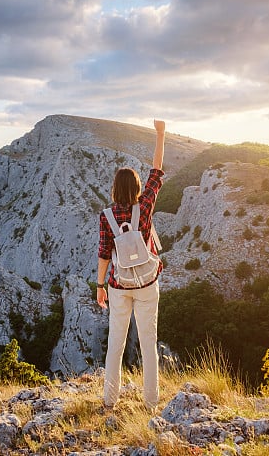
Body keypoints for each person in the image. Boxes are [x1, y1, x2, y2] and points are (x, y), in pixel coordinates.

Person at [96, 119, 165, 410]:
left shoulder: (107, 216)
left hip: (118, 285)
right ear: (137, 186)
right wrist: (160, 134)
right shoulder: (145, 205)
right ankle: (151, 403)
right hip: (147, 283)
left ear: (114, 188)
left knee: (116, 344)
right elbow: (157, 171)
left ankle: (110, 401)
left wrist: (100, 286)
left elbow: (103, 253)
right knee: (149, 345)